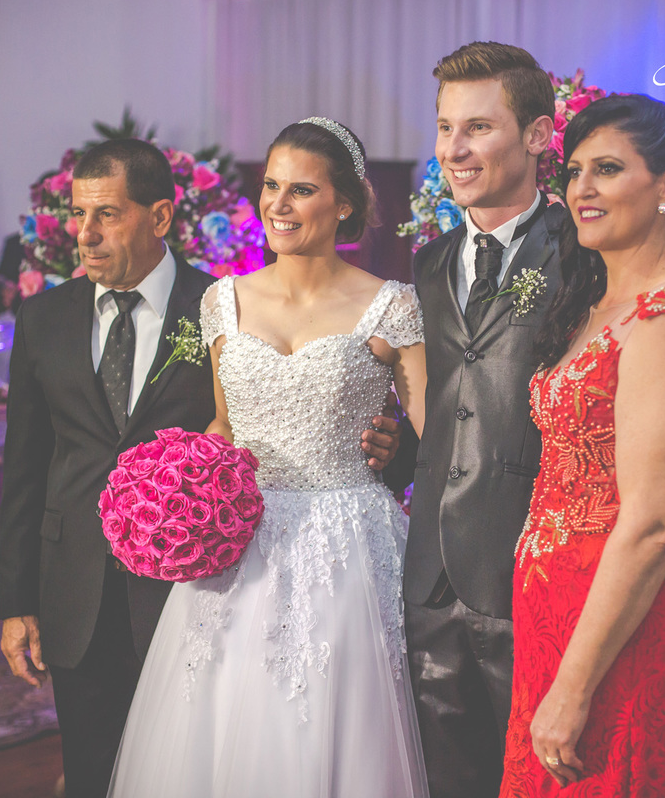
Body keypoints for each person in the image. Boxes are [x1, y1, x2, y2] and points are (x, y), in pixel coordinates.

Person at [387, 42, 665, 797]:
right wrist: (387, 450)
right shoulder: (429, 262)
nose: (454, 148)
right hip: (435, 578)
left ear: (536, 137)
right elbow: (448, 406)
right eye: (445, 127)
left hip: (565, 595)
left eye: (478, 127)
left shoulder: (590, 250)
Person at [108, 118, 429, 796]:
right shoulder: (223, 301)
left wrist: (397, 441)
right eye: (271, 186)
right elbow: (225, 425)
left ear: (345, 203)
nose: (278, 205)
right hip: (239, 544)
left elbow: (437, 437)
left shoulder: (391, 306)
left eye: (302, 190)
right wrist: (178, 484)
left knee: (333, 726)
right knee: (223, 725)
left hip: (347, 547)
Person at [499, 93, 665, 796]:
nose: (583, 188)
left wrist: (573, 688)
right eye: (575, 171)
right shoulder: (599, 303)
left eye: (607, 169)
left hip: (617, 642)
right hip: (561, 622)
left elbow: (654, 524)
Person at [0, 138, 220, 798]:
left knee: (185, 771)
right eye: (77, 214)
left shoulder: (220, 307)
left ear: (160, 217)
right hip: (74, 588)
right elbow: (23, 468)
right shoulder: (43, 318)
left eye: (107, 215)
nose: (84, 235)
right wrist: (16, 603)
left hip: (187, 589)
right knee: (91, 773)